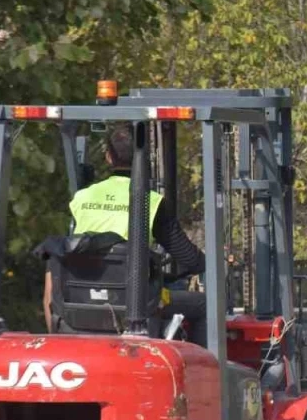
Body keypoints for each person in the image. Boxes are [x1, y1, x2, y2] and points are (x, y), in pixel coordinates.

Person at [44, 124, 208, 341]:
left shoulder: (82, 197)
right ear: (145, 158)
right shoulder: (151, 202)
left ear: (108, 157)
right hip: (133, 306)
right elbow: (191, 260)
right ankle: (204, 371)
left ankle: (57, 342)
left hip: (80, 299)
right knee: (203, 303)